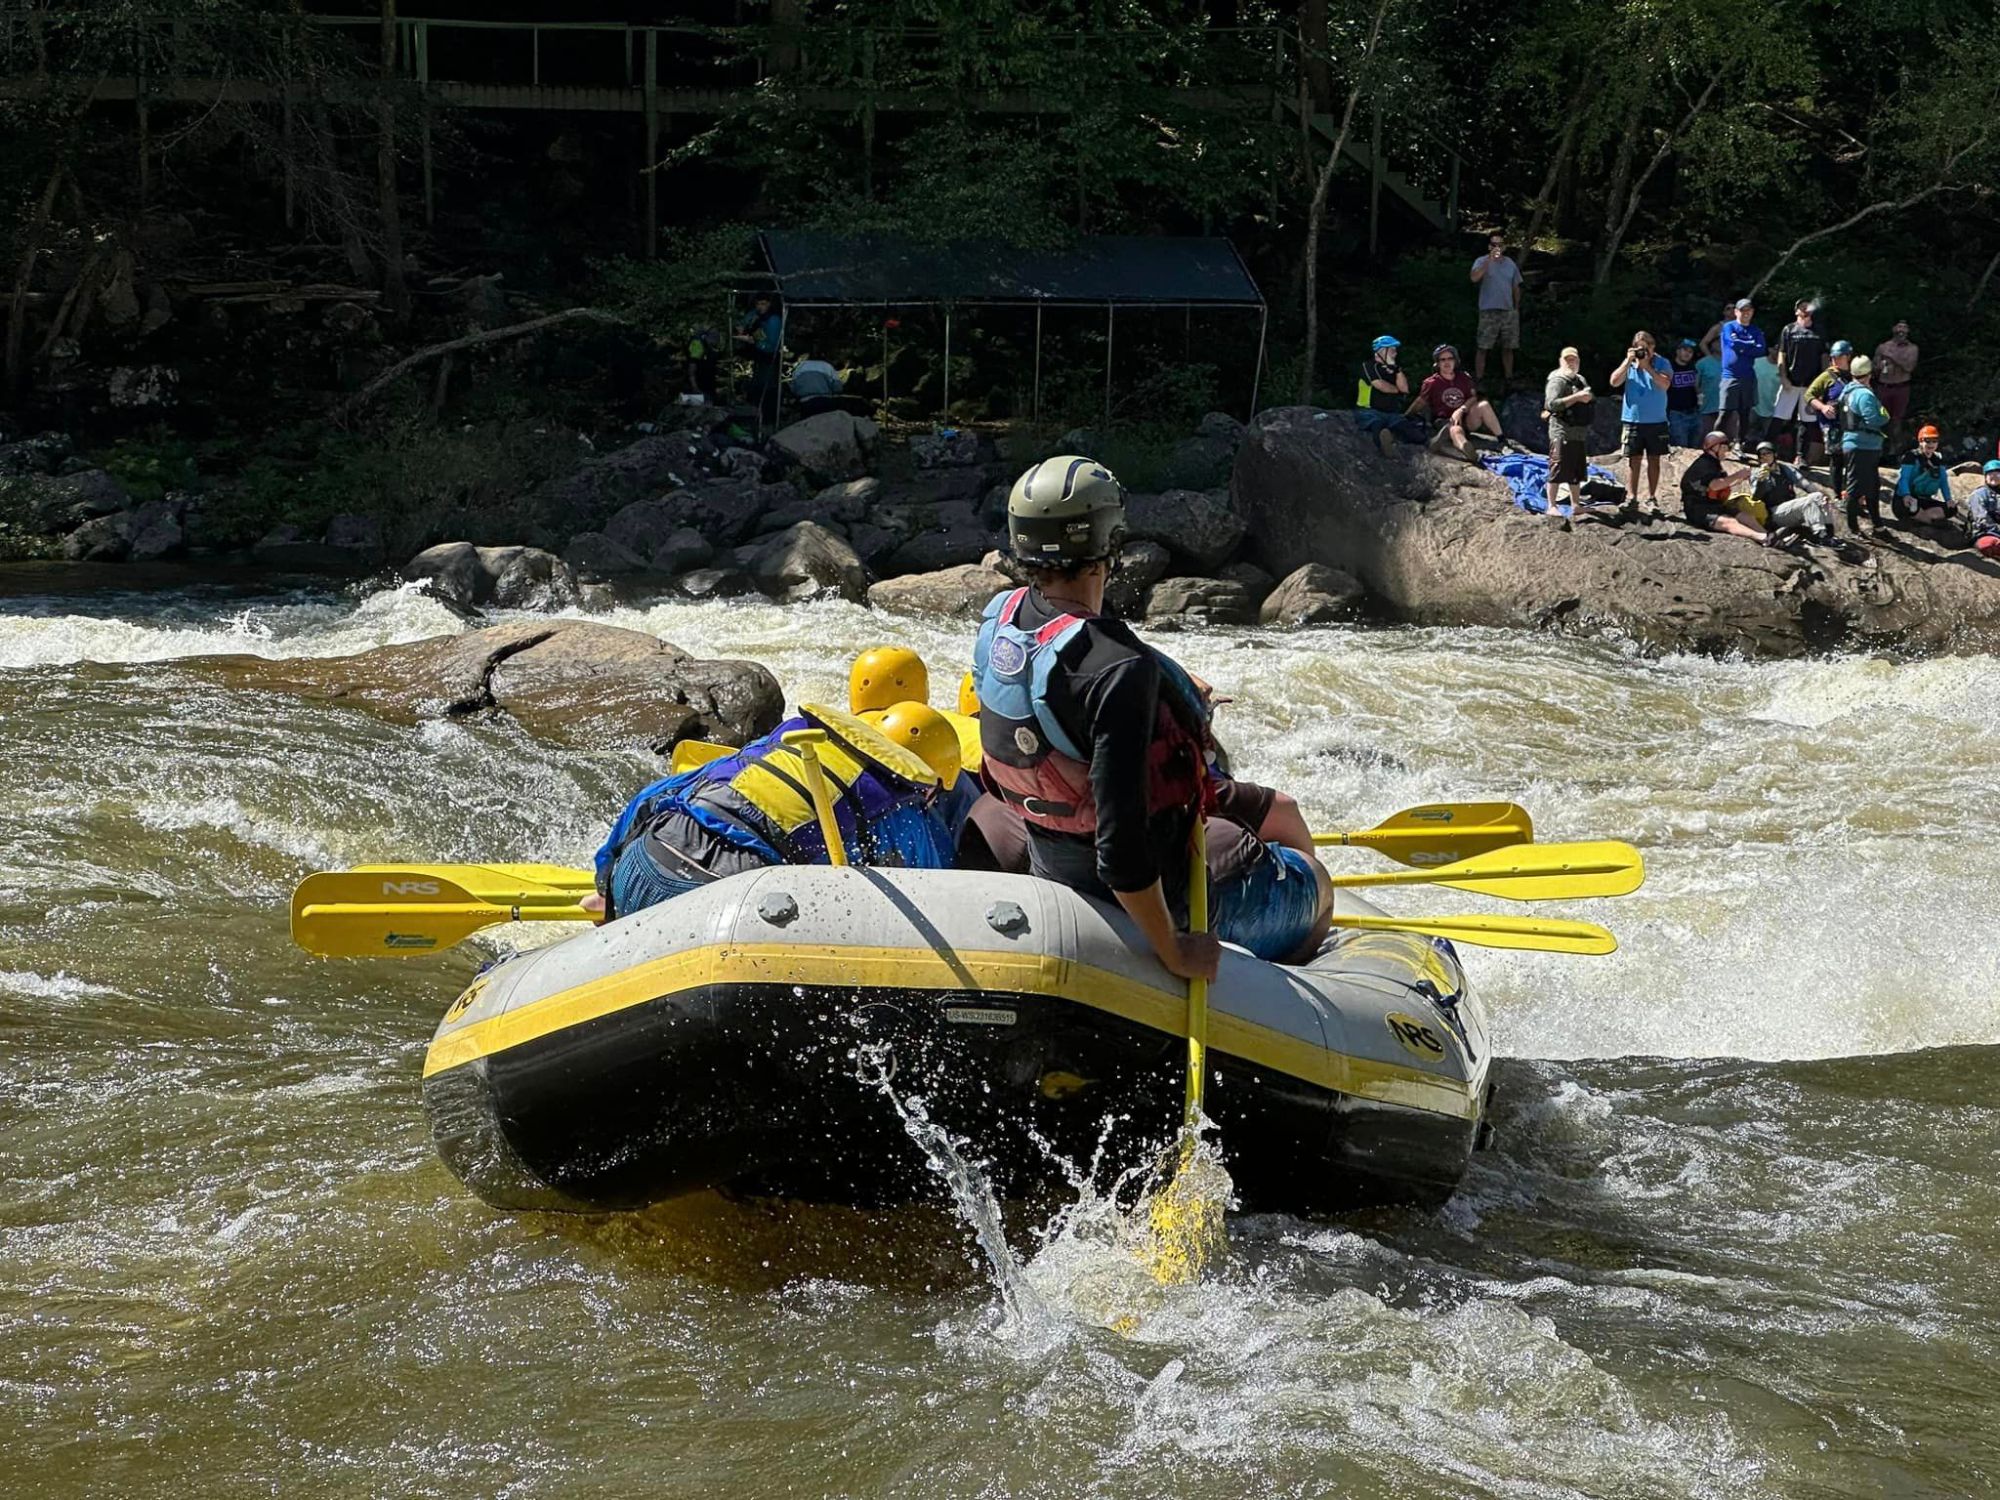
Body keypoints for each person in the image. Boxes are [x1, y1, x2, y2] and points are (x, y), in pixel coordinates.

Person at [971, 456, 1335, 975]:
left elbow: (1065, 675)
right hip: (1154, 903)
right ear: (1109, 544)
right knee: (1314, 884)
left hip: (1053, 868)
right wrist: (1173, 949)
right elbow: (1122, 849)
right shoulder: (1118, 669)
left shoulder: (1001, 620)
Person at [593, 701, 968, 920]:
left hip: (641, 862)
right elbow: (937, 908)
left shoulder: (781, 744)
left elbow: (652, 798)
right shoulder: (911, 818)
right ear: (929, 782)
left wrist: (606, 880)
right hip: (721, 905)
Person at [1410, 344, 1506, 459]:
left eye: (1450, 358)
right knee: (1455, 429)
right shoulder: (1431, 383)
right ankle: (1466, 450)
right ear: (1437, 363)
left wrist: (1461, 409)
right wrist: (1406, 415)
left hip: (1465, 418)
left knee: (1484, 405)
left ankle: (1502, 441)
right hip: (1444, 421)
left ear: (1455, 361)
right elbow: (1420, 402)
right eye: (1443, 359)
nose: (1447, 362)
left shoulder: (1464, 378)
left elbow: (1473, 398)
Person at [1609, 330, 1672, 503]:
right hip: (1633, 420)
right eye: (1639, 348)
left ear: (1653, 347)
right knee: (1633, 460)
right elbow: (1614, 382)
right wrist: (1628, 360)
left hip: (1657, 420)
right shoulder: (1629, 364)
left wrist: (1648, 367)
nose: (1643, 351)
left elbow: (1665, 384)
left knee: (1654, 460)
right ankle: (1632, 496)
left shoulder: (1662, 363)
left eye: (1646, 347)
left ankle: (1652, 496)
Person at [1746, 440, 1839, 547]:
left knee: (1818, 496)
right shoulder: (1756, 473)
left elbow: (1804, 484)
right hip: (1773, 514)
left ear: (1775, 454)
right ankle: (1819, 536)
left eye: (1768, 453)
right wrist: (1761, 481)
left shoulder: (1785, 469)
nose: (1764, 457)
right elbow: (1755, 497)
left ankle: (1829, 535)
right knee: (1809, 501)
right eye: (1761, 455)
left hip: (1790, 509)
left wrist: (1823, 496)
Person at [1837, 354, 1890, 537]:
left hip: (1854, 444)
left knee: (1873, 485)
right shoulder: (1864, 394)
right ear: (1868, 374)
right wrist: (1884, 415)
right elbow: (1874, 419)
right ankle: (1853, 528)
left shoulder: (1846, 391)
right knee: (1856, 487)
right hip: (1863, 446)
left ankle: (1878, 525)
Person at [1679, 430, 1766, 542]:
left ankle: (1767, 535)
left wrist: (1739, 479)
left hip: (1714, 504)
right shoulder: (1704, 464)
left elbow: (1720, 486)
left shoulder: (1713, 462)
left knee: (1746, 517)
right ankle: (1762, 538)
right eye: (1724, 447)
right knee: (1729, 522)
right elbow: (1715, 485)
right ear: (1714, 447)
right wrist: (1737, 475)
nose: (1726, 450)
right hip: (1698, 508)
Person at [1542, 347, 1595, 513]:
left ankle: (1576, 504)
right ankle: (1551, 505)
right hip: (1560, 431)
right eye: (1568, 360)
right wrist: (1576, 397)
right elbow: (1551, 404)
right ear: (1561, 361)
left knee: (1576, 470)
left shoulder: (1580, 380)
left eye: (1574, 360)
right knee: (1556, 467)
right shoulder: (1557, 380)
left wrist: (1588, 397)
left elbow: (1590, 397)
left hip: (1578, 433)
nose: (1571, 363)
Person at [1775, 300, 1827, 461]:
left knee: (1807, 421)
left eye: (1808, 306)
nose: (1805, 309)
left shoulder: (1819, 331)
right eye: (1802, 307)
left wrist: (1823, 382)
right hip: (1790, 382)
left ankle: (1800, 457)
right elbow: (1782, 354)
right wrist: (1783, 377)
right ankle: (1769, 452)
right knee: (1779, 417)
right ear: (1796, 311)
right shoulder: (1788, 329)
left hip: (1811, 384)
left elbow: (1824, 356)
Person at [1470, 230, 1522, 384]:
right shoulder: (1481, 261)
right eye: (1494, 244)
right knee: (1483, 347)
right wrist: (1489, 261)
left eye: (1500, 245)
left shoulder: (1510, 264)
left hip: (1508, 311)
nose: (1497, 248)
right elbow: (1474, 278)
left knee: (1508, 347)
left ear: (1504, 247)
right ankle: (1479, 379)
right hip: (1488, 311)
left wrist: (1516, 307)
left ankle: (1508, 379)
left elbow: (1516, 286)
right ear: (1489, 246)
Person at [1357, 334, 1423, 454]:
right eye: (1392, 350)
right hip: (1370, 410)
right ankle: (1384, 446)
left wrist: (1396, 370)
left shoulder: (1395, 369)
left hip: (1392, 413)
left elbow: (1405, 389)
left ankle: (1431, 443)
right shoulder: (1368, 366)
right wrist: (1397, 390)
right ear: (1382, 350)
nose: (1395, 353)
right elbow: (1381, 385)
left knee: (1410, 430)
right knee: (1377, 424)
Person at [1807, 340, 1856, 499]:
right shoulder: (1826, 376)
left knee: (1852, 459)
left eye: (1839, 357)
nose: (1835, 360)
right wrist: (1822, 407)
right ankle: (1836, 493)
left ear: (1848, 356)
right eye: (1834, 357)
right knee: (1836, 459)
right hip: (1832, 424)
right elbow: (1809, 395)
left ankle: (1850, 492)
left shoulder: (1855, 375)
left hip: (1850, 423)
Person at [1717, 298, 1766, 449]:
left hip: (1748, 376)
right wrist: (1749, 345)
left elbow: (1761, 349)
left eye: (1749, 310)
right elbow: (1733, 344)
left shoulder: (1756, 330)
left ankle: (1739, 442)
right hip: (1730, 376)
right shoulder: (1728, 327)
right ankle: (1714, 441)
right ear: (1736, 312)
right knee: (1725, 412)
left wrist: (1743, 346)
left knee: (1745, 413)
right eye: (1743, 310)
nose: (1746, 313)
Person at [735, 292, 783, 425]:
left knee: (766, 389)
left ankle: (767, 420)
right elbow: (744, 321)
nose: (760, 307)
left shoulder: (773, 320)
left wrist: (753, 341)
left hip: (769, 359)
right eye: (758, 304)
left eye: (763, 304)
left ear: (769, 304)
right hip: (758, 358)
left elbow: (771, 345)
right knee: (757, 387)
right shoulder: (757, 316)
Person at [1891, 425, 1954, 525]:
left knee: (1951, 509)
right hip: (1906, 500)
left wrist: (1948, 499)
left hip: (1923, 499)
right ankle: (1925, 518)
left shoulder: (1938, 460)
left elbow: (1943, 481)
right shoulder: (1911, 456)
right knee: (1909, 506)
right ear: (1920, 441)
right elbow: (1904, 478)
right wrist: (1906, 495)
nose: (1931, 444)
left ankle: (1919, 516)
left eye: (1934, 441)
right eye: (1927, 441)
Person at [1872, 320, 1919, 449]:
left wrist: (1892, 357)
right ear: (1893, 329)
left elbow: (1909, 367)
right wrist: (1878, 366)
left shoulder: (1912, 348)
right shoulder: (1883, 347)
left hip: (1901, 387)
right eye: (1899, 326)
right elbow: (1874, 367)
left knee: (1897, 420)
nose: (1901, 330)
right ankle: (1879, 449)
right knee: (1880, 419)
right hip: (1884, 386)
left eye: (1905, 327)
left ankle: (1896, 450)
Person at [1666, 338, 1704, 449]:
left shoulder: (1693, 367)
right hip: (1676, 414)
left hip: (1694, 412)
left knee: (1696, 447)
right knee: (1680, 447)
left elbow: (1697, 387)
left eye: (1690, 351)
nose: (1687, 353)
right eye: (1685, 350)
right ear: (1677, 351)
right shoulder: (1668, 367)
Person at [1968, 461, 2000, 556]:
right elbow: (1981, 518)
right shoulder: (1978, 494)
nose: (1994, 476)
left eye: (1997, 473)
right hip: (1986, 532)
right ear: (1985, 477)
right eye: (1990, 474)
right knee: (1988, 545)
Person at [684, 328, 721, 403]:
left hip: (706, 385)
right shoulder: (698, 344)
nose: (714, 344)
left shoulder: (707, 347)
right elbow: (692, 367)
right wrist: (694, 386)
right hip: (697, 386)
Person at [1695, 342, 1723, 439]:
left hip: (1729, 410)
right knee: (1706, 439)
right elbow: (1695, 385)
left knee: (1728, 441)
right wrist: (1700, 399)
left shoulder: (1732, 362)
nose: (1721, 343)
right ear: (1712, 345)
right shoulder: (1702, 363)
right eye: (1718, 341)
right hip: (1707, 409)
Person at [1753, 349, 1781, 446]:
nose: (1778, 352)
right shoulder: (1756, 362)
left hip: (1773, 410)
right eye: (1776, 349)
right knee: (1746, 435)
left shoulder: (1784, 368)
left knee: (1768, 442)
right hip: (1753, 407)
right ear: (1770, 349)